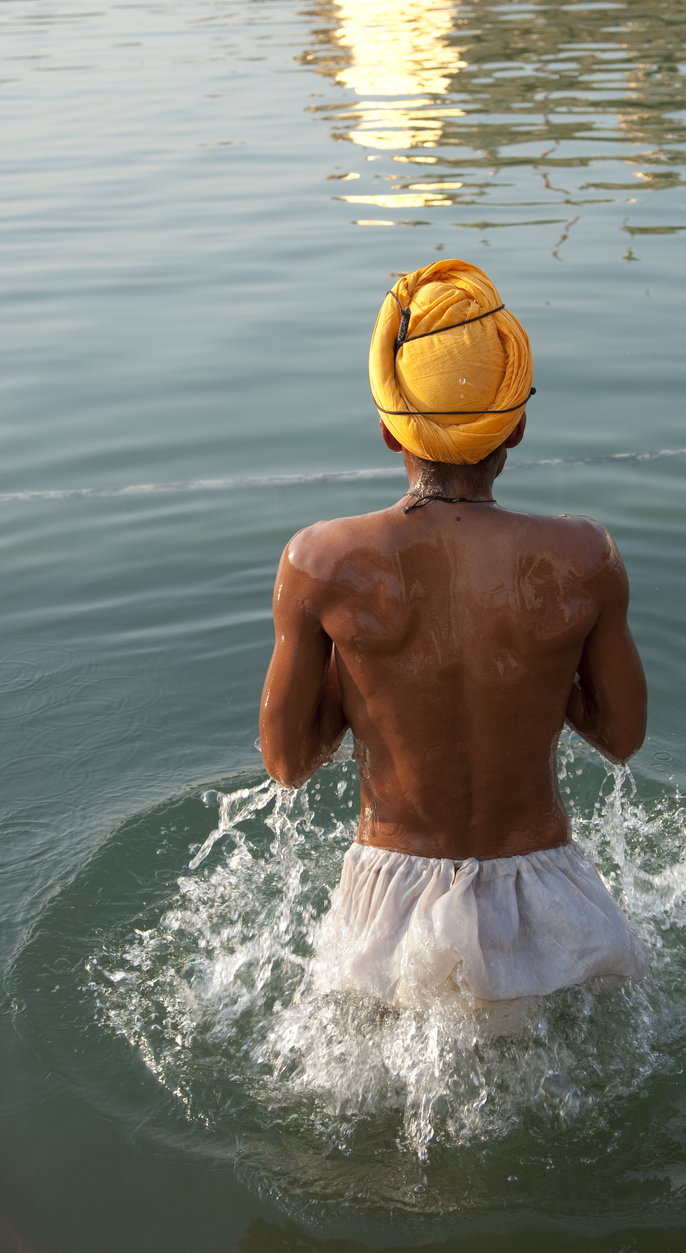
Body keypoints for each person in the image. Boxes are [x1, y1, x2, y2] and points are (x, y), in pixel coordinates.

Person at [260, 259, 647, 1017]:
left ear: (387, 429)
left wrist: (365, 678)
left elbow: (287, 762)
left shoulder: (320, 561)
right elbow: (622, 736)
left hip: (386, 914)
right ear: (519, 426)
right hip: (552, 908)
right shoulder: (584, 556)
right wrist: (538, 670)